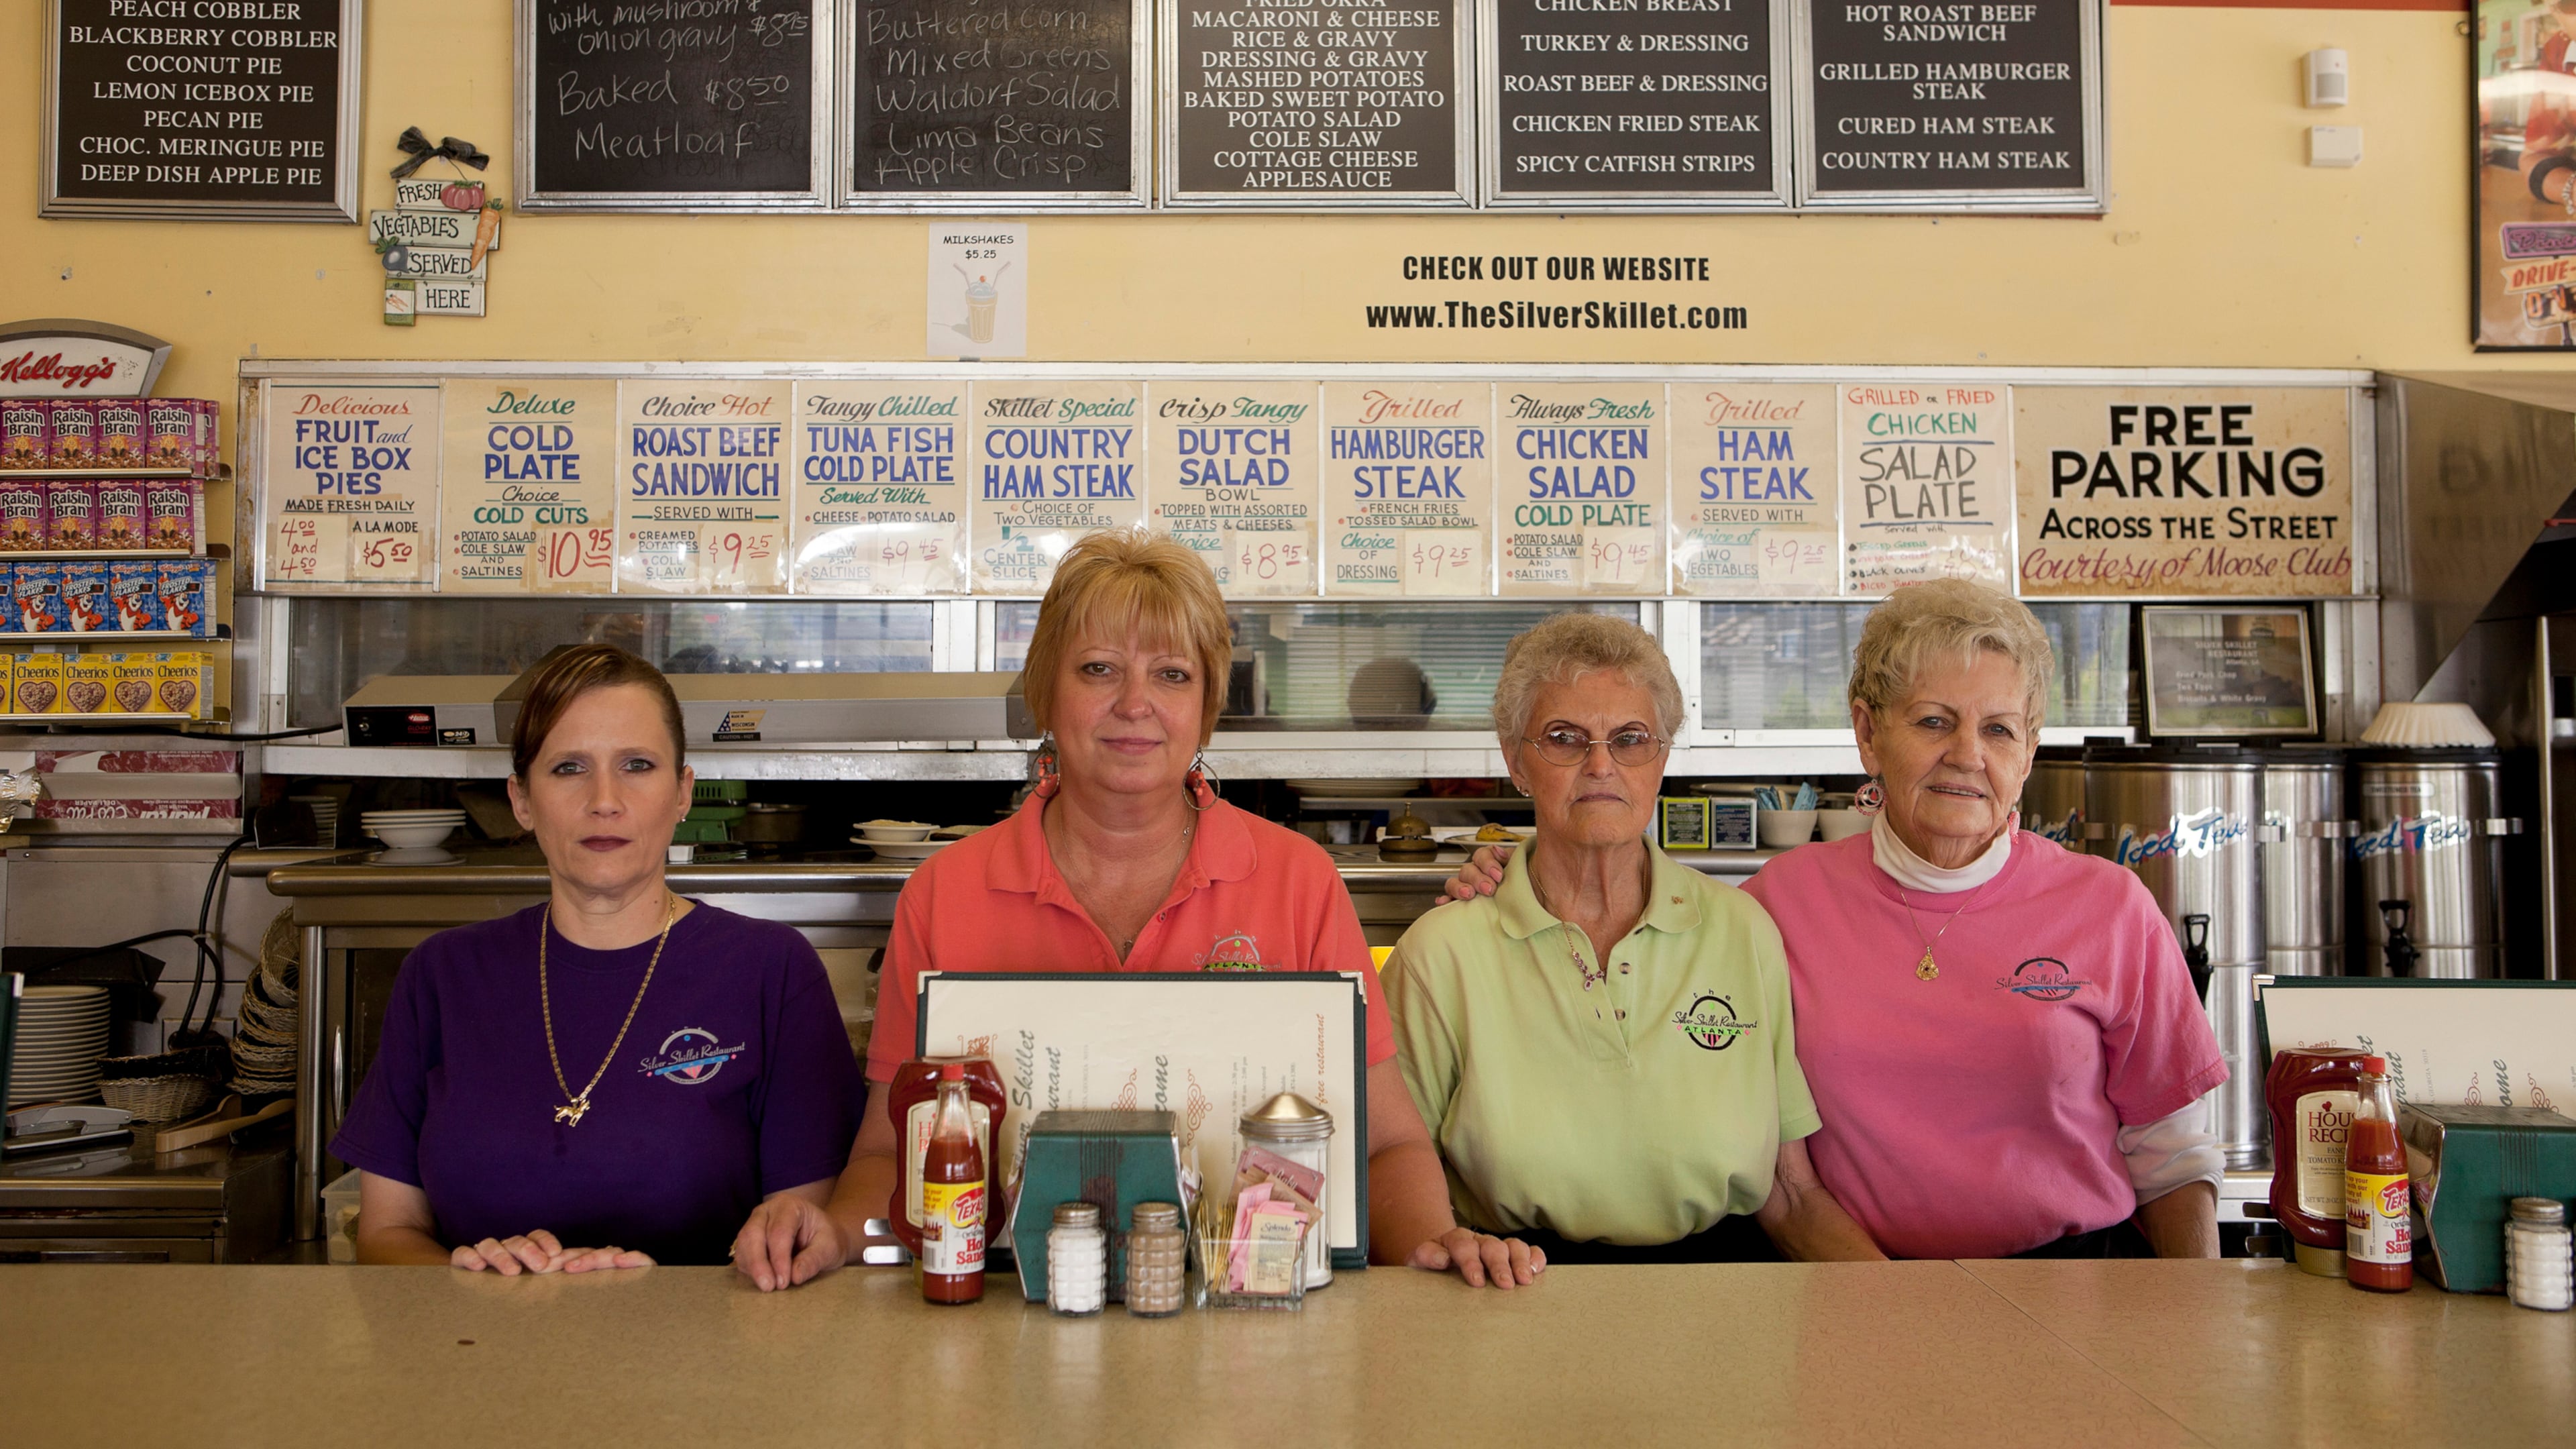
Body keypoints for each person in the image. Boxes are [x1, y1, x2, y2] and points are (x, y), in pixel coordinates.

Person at [734, 529, 1538, 1289]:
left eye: (1172, 675)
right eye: (1097, 669)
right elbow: (887, 1152)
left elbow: (1387, 1143)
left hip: (1252, 1318)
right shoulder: (943, 893)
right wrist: (837, 1232)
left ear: (1206, 706)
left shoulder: (1298, 881)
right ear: (1047, 689)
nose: (1135, 703)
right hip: (1004, 1320)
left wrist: (1432, 1243)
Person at [1447, 581, 2227, 1259]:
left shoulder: (2112, 909)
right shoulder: (1774, 909)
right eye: (1932, 722)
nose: (1966, 754)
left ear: (2027, 753)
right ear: (1866, 733)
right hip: (1845, 1289)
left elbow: (2175, 1159)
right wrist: (1505, 878)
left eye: (1998, 729)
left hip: (2076, 1291)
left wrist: (2191, 1336)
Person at [334, 645, 864, 1272]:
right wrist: (472, 1281)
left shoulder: (772, 971)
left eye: (637, 765)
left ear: (683, 792)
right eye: (568, 768)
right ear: (522, 800)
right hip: (474, 1355)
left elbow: (798, 1242)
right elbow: (386, 1234)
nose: (604, 799)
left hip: (708, 1358)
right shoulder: (442, 975)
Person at [1386, 614, 1880, 1263]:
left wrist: (1901, 1326)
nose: (1601, 765)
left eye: (1630, 739)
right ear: (1516, 761)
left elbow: (1789, 1191)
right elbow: (1389, 1170)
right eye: (1564, 739)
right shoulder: (1440, 954)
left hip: (1723, 1298)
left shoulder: (1741, 932)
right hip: (1513, 1288)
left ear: (1662, 757)